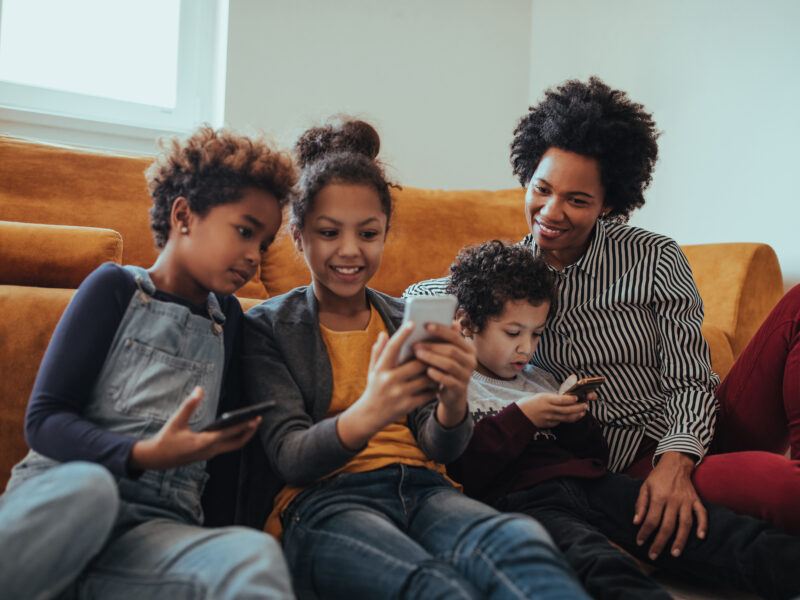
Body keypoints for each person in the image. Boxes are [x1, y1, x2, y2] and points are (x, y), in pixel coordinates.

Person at [405, 76, 800, 558]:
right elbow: (418, 294)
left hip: (685, 439)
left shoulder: (654, 257)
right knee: (781, 490)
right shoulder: (506, 281)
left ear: (609, 203)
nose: (550, 212)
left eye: (577, 200)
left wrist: (675, 462)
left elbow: (691, 380)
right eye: (542, 189)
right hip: (614, 472)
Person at [242, 117, 590, 600]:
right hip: (327, 501)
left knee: (521, 543)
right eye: (328, 232)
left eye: (368, 233)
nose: (350, 250)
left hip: (428, 489)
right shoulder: (265, 327)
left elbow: (441, 446)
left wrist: (452, 403)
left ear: (385, 233)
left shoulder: (406, 316)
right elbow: (290, 457)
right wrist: (372, 411)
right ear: (299, 236)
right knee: (432, 585)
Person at [0, 127, 297, 600]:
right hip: (60, 511)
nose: (253, 257)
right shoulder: (115, 288)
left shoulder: (232, 321)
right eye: (244, 231)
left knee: (253, 555)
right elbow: (44, 422)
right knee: (91, 488)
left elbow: (220, 470)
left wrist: (213, 535)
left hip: (150, 537)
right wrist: (142, 455)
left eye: (263, 244)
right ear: (184, 215)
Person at [446, 239, 800, 600]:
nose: (527, 347)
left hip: (596, 485)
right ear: (467, 324)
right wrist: (524, 417)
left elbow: (594, 456)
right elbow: (465, 466)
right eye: (513, 333)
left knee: (714, 530)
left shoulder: (540, 378)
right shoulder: (457, 384)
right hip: (528, 502)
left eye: (536, 333)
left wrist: (575, 417)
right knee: (597, 563)